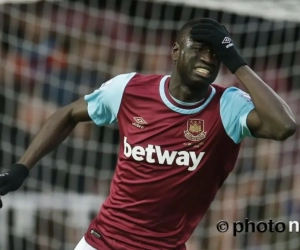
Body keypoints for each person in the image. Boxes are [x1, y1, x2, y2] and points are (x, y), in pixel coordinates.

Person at [0, 18, 296, 250]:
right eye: (199, 47)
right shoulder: (129, 89)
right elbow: (67, 114)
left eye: (215, 52)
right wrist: (21, 167)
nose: (207, 57)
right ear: (176, 51)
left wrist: (237, 62)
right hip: (101, 242)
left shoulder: (228, 105)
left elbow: (284, 126)